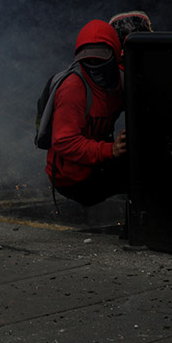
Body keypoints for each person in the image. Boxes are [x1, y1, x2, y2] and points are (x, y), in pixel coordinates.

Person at [45, 19, 128, 207]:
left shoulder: (121, 79)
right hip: (72, 179)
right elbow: (63, 141)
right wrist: (111, 149)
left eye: (100, 59)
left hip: (94, 163)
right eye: (88, 60)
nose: (93, 65)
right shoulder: (73, 88)